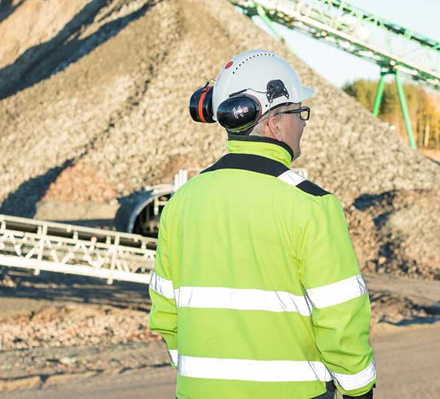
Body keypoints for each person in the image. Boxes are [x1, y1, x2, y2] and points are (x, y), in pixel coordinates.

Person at [149, 50, 376, 399]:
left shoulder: (180, 202)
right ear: (274, 123)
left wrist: (202, 374)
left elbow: (165, 313)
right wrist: (359, 389)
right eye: (299, 113)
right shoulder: (312, 205)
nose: (302, 124)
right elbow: (340, 318)